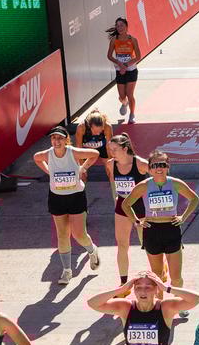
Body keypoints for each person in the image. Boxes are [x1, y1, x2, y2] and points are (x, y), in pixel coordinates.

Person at [121, 151, 199, 289]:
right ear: (150, 168)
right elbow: (125, 204)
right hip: (152, 231)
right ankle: (160, 305)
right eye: (155, 165)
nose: (159, 168)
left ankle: (179, 305)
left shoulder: (175, 183)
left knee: (176, 277)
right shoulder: (144, 186)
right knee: (157, 276)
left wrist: (183, 217)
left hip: (171, 229)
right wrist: (136, 221)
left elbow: (194, 198)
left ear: (168, 167)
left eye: (163, 164)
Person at [34, 126, 101, 285]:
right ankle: (67, 271)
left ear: (66, 140)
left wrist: (82, 168)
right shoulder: (47, 154)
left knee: (79, 234)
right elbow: (36, 157)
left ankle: (92, 250)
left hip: (76, 197)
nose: (56, 141)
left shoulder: (73, 152)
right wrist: (49, 171)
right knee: (62, 234)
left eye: (60, 138)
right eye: (53, 138)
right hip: (57, 198)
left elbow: (95, 154)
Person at [103, 134, 149, 283]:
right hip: (122, 206)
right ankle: (123, 282)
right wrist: (115, 197)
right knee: (122, 244)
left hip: (142, 207)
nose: (112, 153)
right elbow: (113, 183)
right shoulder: (110, 164)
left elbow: (159, 179)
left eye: (115, 150)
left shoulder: (141, 164)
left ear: (125, 148)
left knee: (147, 244)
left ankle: (159, 271)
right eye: (110, 150)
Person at [106, 17, 140, 123]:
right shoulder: (114, 40)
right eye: (117, 26)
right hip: (120, 70)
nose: (119, 28)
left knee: (130, 94)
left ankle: (132, 114)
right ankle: (124, 103)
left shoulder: (133, 40)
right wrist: (119, 64)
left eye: (122, 25)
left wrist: (125, 65)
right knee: (122, 96)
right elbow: (109, 56)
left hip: (131, 70)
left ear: (126, 27)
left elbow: (138, 57)